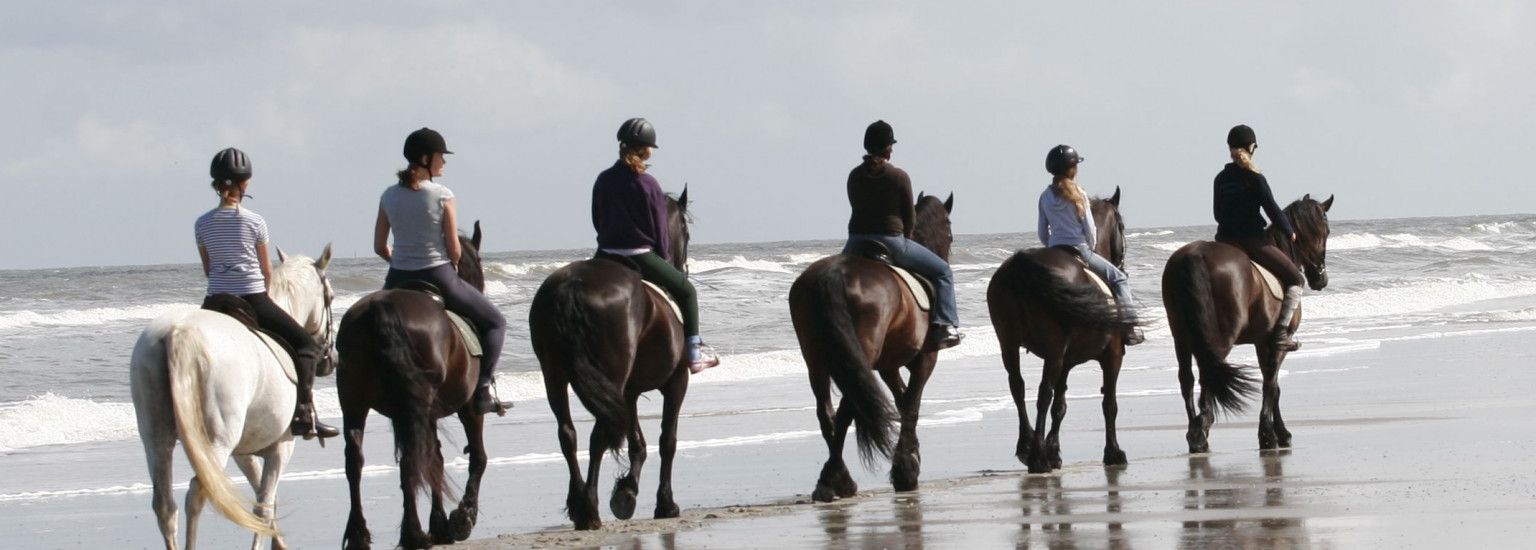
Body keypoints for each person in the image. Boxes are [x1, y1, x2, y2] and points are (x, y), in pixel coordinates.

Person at [195, 147, 339, 440]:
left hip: (214, 301)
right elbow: (266, 272)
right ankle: (303, 414)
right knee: (305, 345)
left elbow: (209, 269)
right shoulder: (255, 221)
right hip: (251, 298)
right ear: (245, 183)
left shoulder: (202, 223)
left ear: (216, 183)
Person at [374, 128, 510, 413]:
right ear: (425, 159)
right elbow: (454, 248)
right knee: (496, 322)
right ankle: (483, 389)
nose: (444, 163)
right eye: (440, 157)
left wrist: (399, 261)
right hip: (438, 275)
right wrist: (455, 265)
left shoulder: (388, 195)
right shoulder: (442, 195)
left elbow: (379, 246)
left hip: (397, 277)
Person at [592, 117, 720, 373]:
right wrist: (663, 259)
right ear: (646, 149)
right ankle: (694, 354)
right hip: (638, 255)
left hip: (605, 255)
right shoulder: (648, 184)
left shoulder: (603, 178)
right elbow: (661, 229)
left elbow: (597, 218)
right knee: (687, 292)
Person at [844, 120, 963, 350]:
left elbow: (855, 207)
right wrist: (906, 237)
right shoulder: (899, 176)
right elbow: (910, 218)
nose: (892, 148)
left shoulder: (854, 176)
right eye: (891, 144)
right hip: (891, 241)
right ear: (887, 148)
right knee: (944, 272)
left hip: (855, 242)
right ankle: (944, 326)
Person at [1037, 145, 1144, 345]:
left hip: (1054, 250)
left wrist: (1052, 246)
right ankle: (1130, 326)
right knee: (1119, 278)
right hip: (1079, 250)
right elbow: (1091, 230)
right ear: (1072, 168)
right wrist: (1091, 249)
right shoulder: (1079, 193)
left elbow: (1042, 233)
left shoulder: (1044, 196)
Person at [1214, 124, 1304, 351]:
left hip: (1224, 241)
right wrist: (1289, 231)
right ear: (1251, 147)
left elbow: (1217, 213)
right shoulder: (1255, 178)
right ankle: (1281, 333)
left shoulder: (1220, 179)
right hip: (1252, 241)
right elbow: (1272, 209)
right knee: (1296, 279)